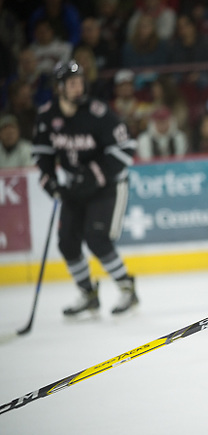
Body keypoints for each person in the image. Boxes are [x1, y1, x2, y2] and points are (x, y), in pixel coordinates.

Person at [32, 60, 139, 317]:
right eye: (71, 84)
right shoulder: (48, 115)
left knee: (97, 240)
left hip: (106, 186)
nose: (78, 88)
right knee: (68, 244)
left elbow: (126, 149)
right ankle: (88, 293)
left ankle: (127, 289)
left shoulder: (98, 113)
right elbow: (42, 154)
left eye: (80, 82)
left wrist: (93, 175)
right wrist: (51, 182)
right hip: (74, 188)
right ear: (60, 88)